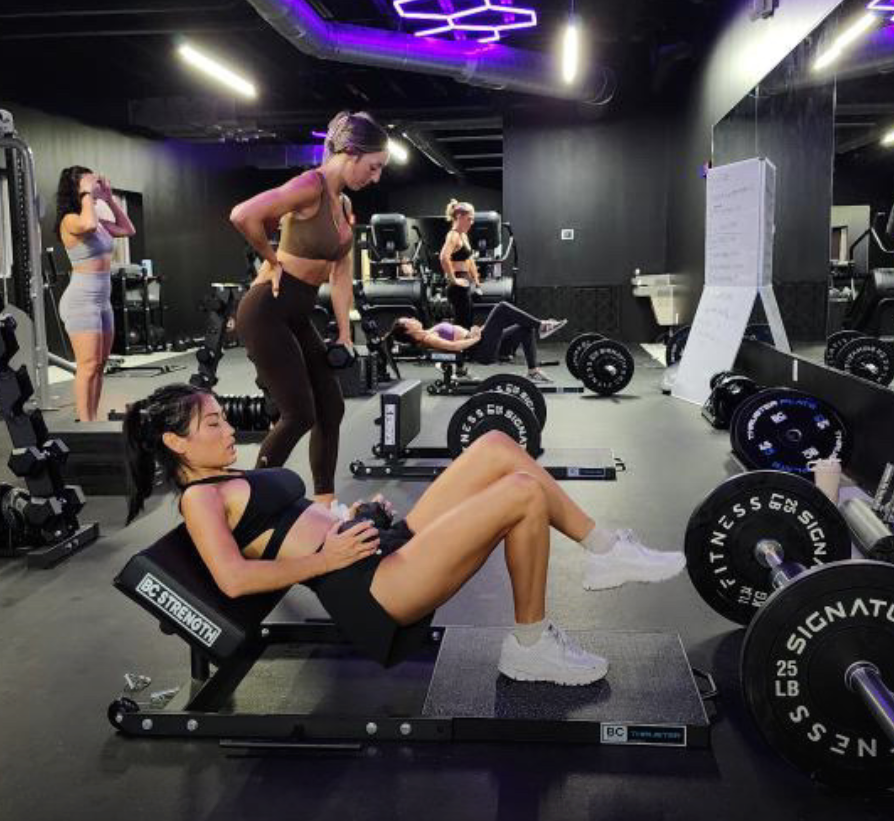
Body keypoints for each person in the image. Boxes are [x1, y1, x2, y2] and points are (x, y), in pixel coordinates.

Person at [123, 385, 686, 686]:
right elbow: (235, 577)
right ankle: (531, 647)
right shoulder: (201, 498)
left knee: (495, 444)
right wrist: (326, 557)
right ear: (176, 445)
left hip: (372, 545)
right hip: (368, 587)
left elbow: (291, 524)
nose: (228, 428)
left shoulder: (228, 477)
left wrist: (354, 512)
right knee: (522, 493)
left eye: (223, 417)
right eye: (213, 423)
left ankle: (604, 550)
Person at [230, 109, 389, 503]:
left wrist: (345, 333)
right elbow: (243, 215)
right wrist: (271, 258)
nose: (376, 177)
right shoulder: (310, 185)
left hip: (298, 315)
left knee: (331, 408)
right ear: (350, 153)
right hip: (267, 310)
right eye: (372, 167)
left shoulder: (342, 205)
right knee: (298, 413)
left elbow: (340, 277)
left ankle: (325, 502)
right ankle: (250, 504)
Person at [55, 165, 135, 423]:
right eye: (87, 182)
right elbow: (87, 223)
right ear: (76, 189)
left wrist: (109, 199)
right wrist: (87, 192)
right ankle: (85, 424)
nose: (95, 185)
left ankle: (93, 420)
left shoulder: (97, 221)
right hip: (81, 301)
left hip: (102, 302)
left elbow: (127, 230)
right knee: (88, 366)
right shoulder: (71, 220)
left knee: (100, 365)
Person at [389, 303, 567, 378]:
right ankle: (542, 325)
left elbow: (460, 337)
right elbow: (455, 346)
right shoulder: (429, 338)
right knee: (502, 308)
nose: (412, 319)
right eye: (409, 321)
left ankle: (533, 370)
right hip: (480, 350)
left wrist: (476, 332)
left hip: (479, 343)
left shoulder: (429, 331)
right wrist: (475, 338)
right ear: (408, 332)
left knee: (524, 328)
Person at [440, 198, 480, 328]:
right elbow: (443, 258)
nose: (471, 223)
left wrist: (476, 279)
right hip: (458, 285)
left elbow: (469, 259)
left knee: (467, 320)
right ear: (459, 216)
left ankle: (464, 347)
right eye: (469, 219)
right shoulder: (453, 235)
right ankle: (459, 348)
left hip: (465, 281)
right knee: (462, 322)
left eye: (472, 219)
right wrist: (453, 280)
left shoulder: (463, 236)